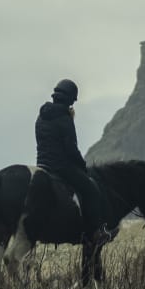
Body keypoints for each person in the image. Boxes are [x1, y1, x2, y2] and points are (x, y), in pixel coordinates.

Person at [36, 79, 115, 246]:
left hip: (42, 165)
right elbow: (71, 149)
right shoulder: (65, 119)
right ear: (70, 99)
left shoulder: (41, 116)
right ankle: (96, 232)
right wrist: (82, 166)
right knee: (91, 189)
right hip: (60, 167)